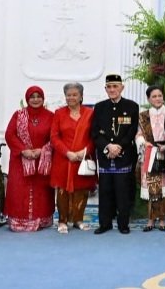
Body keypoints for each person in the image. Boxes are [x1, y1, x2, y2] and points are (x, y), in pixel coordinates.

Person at [91, 74, 139, 235]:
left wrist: (118, 147)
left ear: (121, 88)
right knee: (105, 191)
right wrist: (108, 147)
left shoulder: (131, 106)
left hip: (124, 155)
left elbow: (131, 131)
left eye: (115, 86)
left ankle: (123, 224)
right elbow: (95, 132)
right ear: (105, 89)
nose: (112, 90)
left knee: (123, 191)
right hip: (105, 156)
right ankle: (105, 223)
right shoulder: (99, 107)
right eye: (109, 87)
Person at [4, 86, 55, 232]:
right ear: (27, 99)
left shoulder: (51, 116)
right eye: (32, 97)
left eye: (39, 96)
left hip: (42, 161)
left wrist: (42, 150)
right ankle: (18, 221)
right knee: (19, 190)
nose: (35, 99)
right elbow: (10, 135)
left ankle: (42, 220)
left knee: (42, 192)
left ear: (43, 98)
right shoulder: (18, 115)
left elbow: (55, 137)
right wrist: (23, 150)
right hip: (20, 160)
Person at [50, 82, 97, 234]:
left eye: (74, 95)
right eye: (68, 95)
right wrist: (67, 153)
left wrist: (85, 151)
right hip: (64, 159)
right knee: (62, 191)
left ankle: (78, 220)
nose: (71, 97)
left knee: (81, 191)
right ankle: (62, 221)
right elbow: (54, 137)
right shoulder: (59, 113)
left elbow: (94, 136)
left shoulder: (90, 113)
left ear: (81, 96)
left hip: (83, 159)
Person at [136, 85, 165, 232]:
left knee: (163, 188)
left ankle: (162, 219)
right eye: (154, 96)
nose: (157, 99)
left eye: (160, 96)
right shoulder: (143, 115)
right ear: (148, 99)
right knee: (152, 188)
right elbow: (138, 135)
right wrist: (144, 143)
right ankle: (150, 219)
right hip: (149, 153)